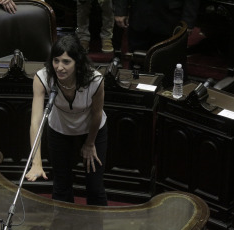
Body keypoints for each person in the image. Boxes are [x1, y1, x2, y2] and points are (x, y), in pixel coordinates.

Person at [25, 35, 108, 206]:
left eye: (66, 62)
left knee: (94, 187)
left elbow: (97, 114)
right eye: (56, 61)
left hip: (92, 131)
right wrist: (36, 161)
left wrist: (90, 143)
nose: (59, 67)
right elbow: (36, 122)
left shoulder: (95, 80)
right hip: (59, 129)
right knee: (61, 185)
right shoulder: (43, 78)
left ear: (77, 62)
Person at [112, 0, 200, 51]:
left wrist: (188, 21)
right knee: (137, 62)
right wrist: (120, 10)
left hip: (169, 17)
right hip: (139, 14)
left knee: (167, 63)